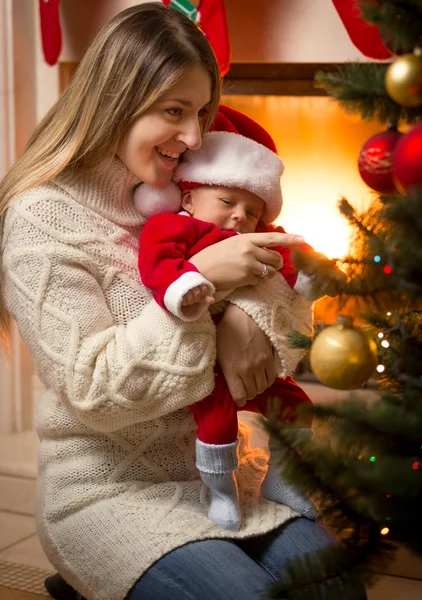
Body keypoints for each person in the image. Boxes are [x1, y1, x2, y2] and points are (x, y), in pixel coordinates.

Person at [0, 4, 366, 600]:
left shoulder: (194, 187)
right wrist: (204, 284)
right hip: (108, 491)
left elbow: (288, 293)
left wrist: (250, 317)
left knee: (336, 588)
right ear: (116, 100)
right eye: (174, 112)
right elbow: (93, 390)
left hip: (225, 476)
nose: (195, 136)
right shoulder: (44, 218)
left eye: (199, 112)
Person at [135, 105, 346, 531]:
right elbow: (156, 261)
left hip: (256, 361)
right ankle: (221, 492)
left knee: (297, 406)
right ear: (190, 198)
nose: (238, 216)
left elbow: (294, 256)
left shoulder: (253, 237)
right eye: (228, 201)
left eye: (251, 211)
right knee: (216, 421)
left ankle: (283, 478)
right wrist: (184, 285)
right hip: (204, 362)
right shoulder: (177, 227)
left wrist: (316, 275)